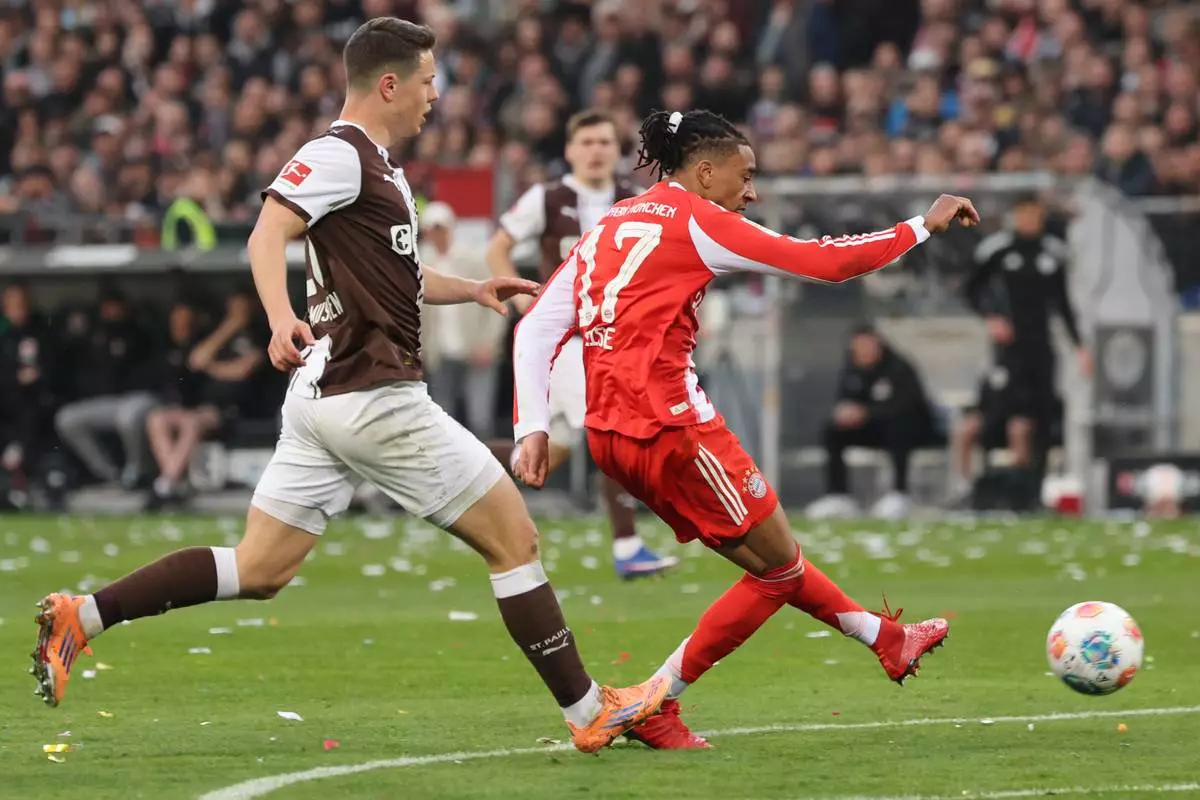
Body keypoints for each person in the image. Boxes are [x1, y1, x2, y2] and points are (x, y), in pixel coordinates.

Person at [30, 18, 667, 756]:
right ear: (389, 84)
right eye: (428, 80)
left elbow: (399, 277)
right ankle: (588, 710)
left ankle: (84, 616)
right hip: (371, 395)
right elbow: (266, 233)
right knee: (514, 538)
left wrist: (472, 288)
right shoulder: (338, 153)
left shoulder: (382, 169)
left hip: (324, 397)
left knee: (261, 567)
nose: (436, 95)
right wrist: (279, 319)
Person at [513, 109, 978, 748]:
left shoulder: (613, 220)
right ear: (705, 172)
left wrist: (532, 426)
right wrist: (921, 225)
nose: (752, 192)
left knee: (774, 561)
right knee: (778, 570)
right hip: (674, 431)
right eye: (746, 175)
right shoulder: (698, 220)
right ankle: (652, 701)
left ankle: (887, 639)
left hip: (610, 438)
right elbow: (824, 263)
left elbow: (536, 325)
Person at [486, 108, 677, 580]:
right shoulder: (547, 197)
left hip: (613, 338)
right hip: (567, 341)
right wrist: (522, 304)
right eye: (587, 142)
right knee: (611, 427)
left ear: (618, 150)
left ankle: (445, 463)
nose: (596, 151)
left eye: (604, 142)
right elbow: (498, 246)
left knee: (550, 450)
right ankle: (628, 546)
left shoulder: (636, 199)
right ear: (570, 150)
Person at [950, 193, 1090, 506]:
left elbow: (1063, 304)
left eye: (1034, 215)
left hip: (1041, 349)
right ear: (1015, 216)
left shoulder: (1054, 253)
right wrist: (991, 318)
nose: (1029, 221)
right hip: (1008, 351)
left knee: (1042, 416)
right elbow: (971, 289)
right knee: (1005, 415)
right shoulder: (997, 250)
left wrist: (1080, 346)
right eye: (1024, 215)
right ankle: (986, 490)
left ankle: (1036, 488)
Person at [806, 325, 941, 520]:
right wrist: (845, 413)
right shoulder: (852, 369)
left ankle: (899, 494)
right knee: (832, 431)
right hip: (871, 429)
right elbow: (844, 398)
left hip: (912, 429)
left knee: (899, 427)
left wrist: (867, 413)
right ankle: (838, 495)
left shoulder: (898, 368)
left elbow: (907, 406)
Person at [420, 201, 505, 439]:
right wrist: (423, 350)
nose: (436, 235)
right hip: (440, 353)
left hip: (476, 350)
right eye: (432, 229)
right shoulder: (421, 262)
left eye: (440, 228)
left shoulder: (473, 259)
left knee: (480, 419)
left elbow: (497, 299)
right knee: (442, 418)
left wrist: (488, 343)